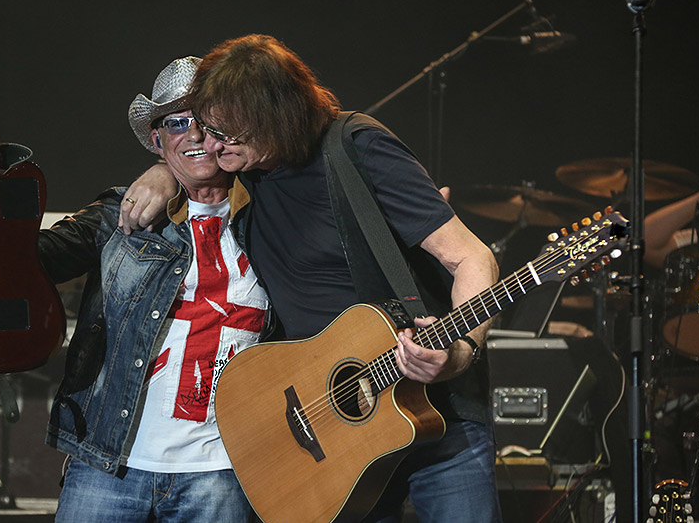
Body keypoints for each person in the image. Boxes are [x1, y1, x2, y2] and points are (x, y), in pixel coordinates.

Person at [125, 34, 502, 522]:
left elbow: (473, 259)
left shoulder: (356, 148)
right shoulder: (245, 170)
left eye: (224, 133)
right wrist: (161, 171)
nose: (210, 145)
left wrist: (459, 352)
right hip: (331, 428)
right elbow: (184, 157)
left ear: (272, 120)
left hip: (436, 413)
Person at [0, 57, 271, 523]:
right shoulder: (119, 214)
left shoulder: (273, 214)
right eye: (177, 123)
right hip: (110, 466)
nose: (195, 135)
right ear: (157, 140)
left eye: (206, 119)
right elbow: (15, 263)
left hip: (226, 470)